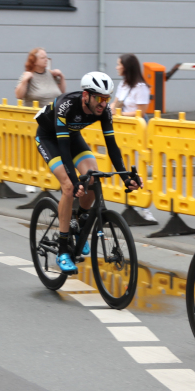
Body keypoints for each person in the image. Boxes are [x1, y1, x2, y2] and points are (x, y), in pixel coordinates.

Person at [34, 71, 143, 274]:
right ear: (86, 95)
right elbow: (64, 150)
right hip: (50, 139)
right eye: (99, 99)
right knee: (69, 187)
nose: (104, 104)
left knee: (94, 176)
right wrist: (75, 182)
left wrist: (126, 178)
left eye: (107, 98)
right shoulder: (66, 105)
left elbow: (112, 147)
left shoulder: (104, 111)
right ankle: (63, 251)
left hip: (72, 137)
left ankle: (79, 223)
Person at [110, 53, 155, 223]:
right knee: (127, 166)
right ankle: (133, 202)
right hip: (125, 130)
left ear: (126, 67)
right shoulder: (123, 84)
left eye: (119, 64)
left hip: (139, 130)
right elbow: (116, 103)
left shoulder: (140, 87)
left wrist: (119, 113)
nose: (117, 67)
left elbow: (141, 112)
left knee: (139, 167)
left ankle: (144, 208)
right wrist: (111, 109)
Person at [15, 48, 65, 192]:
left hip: (53, 119)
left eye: (46, 57)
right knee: (34, 150)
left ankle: (53, 179)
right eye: (42, 57)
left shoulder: (51, 74)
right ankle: (32, 180)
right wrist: (25, 80)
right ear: (34, 61)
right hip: (35, 120)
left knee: (55, 149)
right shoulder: (28, 75)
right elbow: (19, 95)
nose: (46, 60)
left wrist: (61, 77)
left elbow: (62, 92)